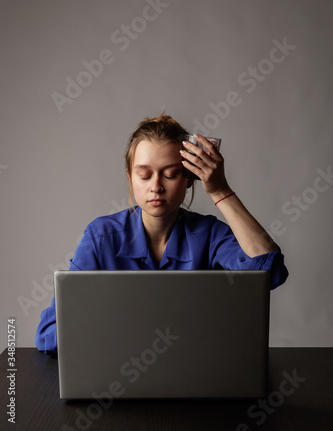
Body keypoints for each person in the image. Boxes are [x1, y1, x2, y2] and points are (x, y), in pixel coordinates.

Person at [35, 114, 288, 355]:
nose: (155, 187)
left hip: (195, 378)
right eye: (144, 175)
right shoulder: (100, 236)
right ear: (130, 176)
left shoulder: (209, 234)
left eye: (170, 174)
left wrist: (220, 190)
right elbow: (49, 333)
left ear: (189, 178)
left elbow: (269, 272)